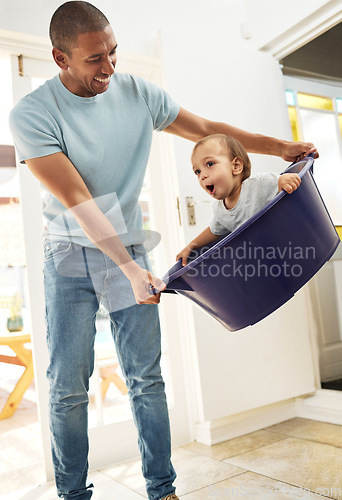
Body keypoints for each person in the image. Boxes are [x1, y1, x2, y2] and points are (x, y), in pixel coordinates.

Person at [8, 2, 318, 499]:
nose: (108, 68)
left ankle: (162, 489)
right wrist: (131, 269)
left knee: (146, 377)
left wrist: (278, 147)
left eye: (113, 52)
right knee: (67, 387)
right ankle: (72, 495)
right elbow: (79, 202)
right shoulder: (32, 113)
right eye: (94, 60)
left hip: (128, 246)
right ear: (60, 57)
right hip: (68, 254)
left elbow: (206, 131)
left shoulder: (137, 92)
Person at [176, 134, 302, 266]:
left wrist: (284, 180)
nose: (202, 176)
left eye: (210, 164)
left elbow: (281, 181)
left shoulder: (259, 184)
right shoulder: (219, 210)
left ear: (236, 166)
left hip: (289, 249)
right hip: (263, 262)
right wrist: (190, 247)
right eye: (197, 171)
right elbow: (214, 231)